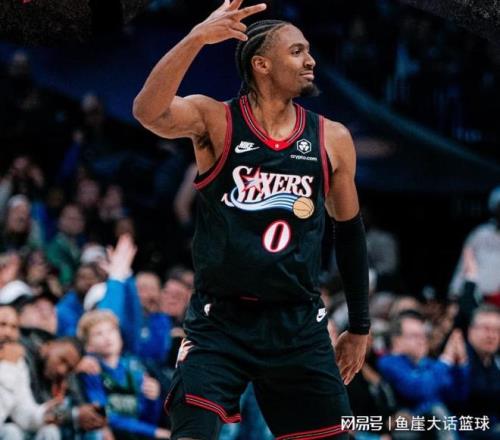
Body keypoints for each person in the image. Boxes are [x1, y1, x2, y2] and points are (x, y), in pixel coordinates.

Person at [133, 1, 370, 439]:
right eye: (297, 51)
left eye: (308, 50)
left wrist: (359, 326)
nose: (311, 60)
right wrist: (196, 38)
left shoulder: (332, 137)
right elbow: (148, 112)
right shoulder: (216, 119)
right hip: (220, 321)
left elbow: (350, 233)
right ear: (262, 64)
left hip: (297, 323)